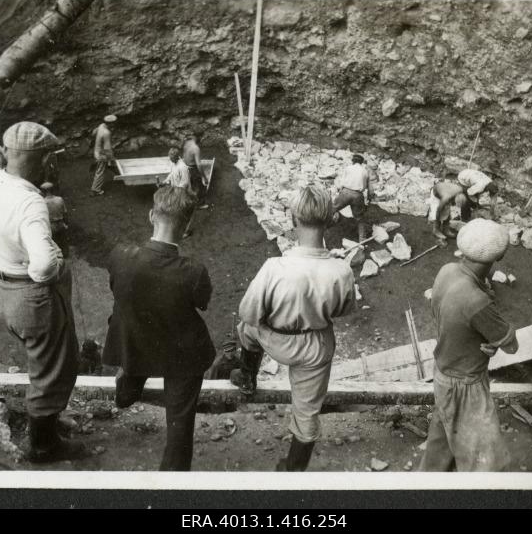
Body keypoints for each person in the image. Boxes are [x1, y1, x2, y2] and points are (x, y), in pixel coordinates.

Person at [0, 72, 84, 464]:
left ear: (7, 154)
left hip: (3, 289)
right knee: (52, 368)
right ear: (46, 160)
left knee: (41, 361)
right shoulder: (31, 204)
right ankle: (44, 445)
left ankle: (48, 422)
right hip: (31, 294)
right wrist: (55, 261)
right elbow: (42, 267)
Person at [231, 186, 356, 471]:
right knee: (307, 412)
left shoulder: (275, 266)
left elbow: (248, 312)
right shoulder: (342, 270)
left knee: (247, 328)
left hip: (273, 340)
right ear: (329, 220)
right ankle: (293, 470)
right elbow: (343, 311)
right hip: (314, 348)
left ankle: (248, 376)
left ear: (293, 220)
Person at [103, 186, 214, 471]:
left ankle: (127, 389)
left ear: (152, 215)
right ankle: (172, 480)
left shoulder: (120, 255)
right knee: (180, 422)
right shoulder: (193, 271)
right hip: (181, 354)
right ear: (188, 225)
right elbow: (202, 303)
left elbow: (118, 291)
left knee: (136, 334)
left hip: (135, 343)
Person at [419, 218, 518, 472]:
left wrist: (481, 339)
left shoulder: (447, 270)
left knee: (440, 447)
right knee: (485, 462)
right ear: (500, 255)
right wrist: (494, 340)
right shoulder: (477, 301)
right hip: (466, 385)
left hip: (443, 372)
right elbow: (511, 345)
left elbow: (452, 318)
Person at [428, 169, 498, 243]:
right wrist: (436, 219)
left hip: (445, 189)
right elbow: (438, 211)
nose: (453, 205)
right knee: (438, 212)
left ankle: (446, 229)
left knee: (447, 212)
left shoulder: (460, 190)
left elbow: (469, 195)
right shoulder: (446, 197)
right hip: (436, 193)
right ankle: (436, 230)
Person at [332, 154, 375, 243]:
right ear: (361, 162)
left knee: (331, 209)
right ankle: (362, 240)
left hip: (346, 192)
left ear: (353, 161)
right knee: (360, 218)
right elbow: (370, 189)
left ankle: (320, 228)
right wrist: (369, 198)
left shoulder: (348, 168)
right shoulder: (365, 171)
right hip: (358, 195)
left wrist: (339, 193)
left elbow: (341, 183)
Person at [40, 182, 69, 258]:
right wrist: (66, 223)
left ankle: (56, 257)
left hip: (50, 225)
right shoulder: (59, 199)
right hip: (60, 223)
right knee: (63, 240)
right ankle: (65, 255)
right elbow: (65, 213)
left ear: (44, 191)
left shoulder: (42, 202)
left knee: (53, 242)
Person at [90, 114, 117, 196]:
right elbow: (107, 148)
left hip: (97, 150)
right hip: (102, 154)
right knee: (100, 171)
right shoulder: (107, 133)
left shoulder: (101, 126)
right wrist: (111, 157)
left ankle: (120, 176)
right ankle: (95, 189)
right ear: (111, 123)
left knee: (111, 164)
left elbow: (94, 132)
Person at [182, 134, 209, 209]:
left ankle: (188, 201)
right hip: (193, 168)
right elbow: (199, 165)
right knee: (200, 187)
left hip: (185, 166)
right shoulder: (195, 148)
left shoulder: (186, 143)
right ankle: (199, 205)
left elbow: (183, 156)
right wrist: (204, 177)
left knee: (190, 186)